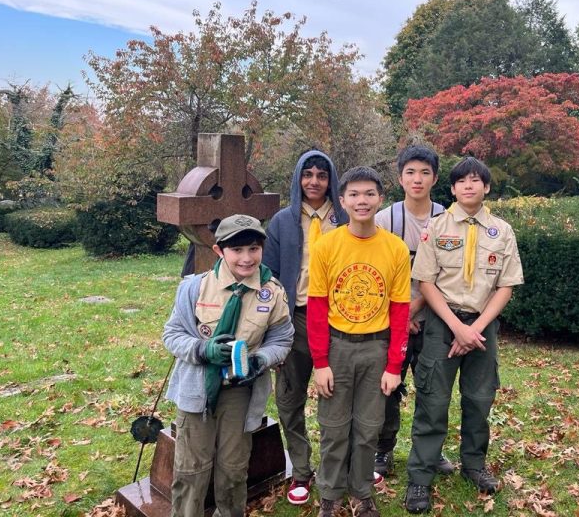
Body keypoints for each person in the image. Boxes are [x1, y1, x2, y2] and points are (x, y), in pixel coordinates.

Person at [403, 157, 524, 513]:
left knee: (479, 399)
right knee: (433, 402)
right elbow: (425, 281)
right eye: (462, 181)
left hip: (483, 325)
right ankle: (420, 478)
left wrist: (475, 328)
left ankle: (473, 465)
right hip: (443, 324)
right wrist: (457, 327)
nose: (469, 186)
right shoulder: (437, 227)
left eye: (476, 180)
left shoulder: (501, 231)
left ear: (486, 187)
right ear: (452, 188)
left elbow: (505, 286)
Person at [162, 214, 294, 517]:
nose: (247, 258)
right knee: (191, 471)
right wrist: (201, 348)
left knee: (233, 470)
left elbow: (282, 338)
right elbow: (172, 334)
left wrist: (261, 360)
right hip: (198, 391)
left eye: (253, 248)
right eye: (237, 250)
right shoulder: (195, 288)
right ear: (220, 250)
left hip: (240, 392)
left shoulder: (271, 293)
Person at [307, 166, 411, 517]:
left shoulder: (394, 249)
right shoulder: (327, 246)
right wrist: (320, 363)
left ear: (381, 199)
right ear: (342, 200)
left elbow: (400, 312)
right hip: (337, 348)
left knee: (368, 429)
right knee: (334, 428)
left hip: (376, 349)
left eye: (369, 194)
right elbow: (318, 309)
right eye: (354, 194)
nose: (362, 201)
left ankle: (361, 492)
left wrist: (394, 366)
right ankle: (330, 495)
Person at [263, 150, 348, 506]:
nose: (314, 181)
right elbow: (266, 276)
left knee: (339, 397)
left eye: (321, 175)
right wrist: (273, 329)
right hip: (294, 317)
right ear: (298, 177)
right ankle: (300, 469)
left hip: (337, 319)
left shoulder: (345, 218)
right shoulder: (282, 221)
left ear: (332, 180)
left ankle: (337, 468)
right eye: (307, 174)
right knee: (289, 397)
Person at [372, 145, 455, 478]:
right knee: (387, 387)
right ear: (400, 176)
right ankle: (382, 449)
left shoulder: (448, 219)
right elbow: (374, 273)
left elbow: (451, 274)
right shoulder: (384, 219)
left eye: (424, 172)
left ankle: (430, 451)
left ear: (435, 177)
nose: (417, 179)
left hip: (433, 319)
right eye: (410, 172)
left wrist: (415, 311)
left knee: (433, 389)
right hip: (390, 321)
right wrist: (399, 317)